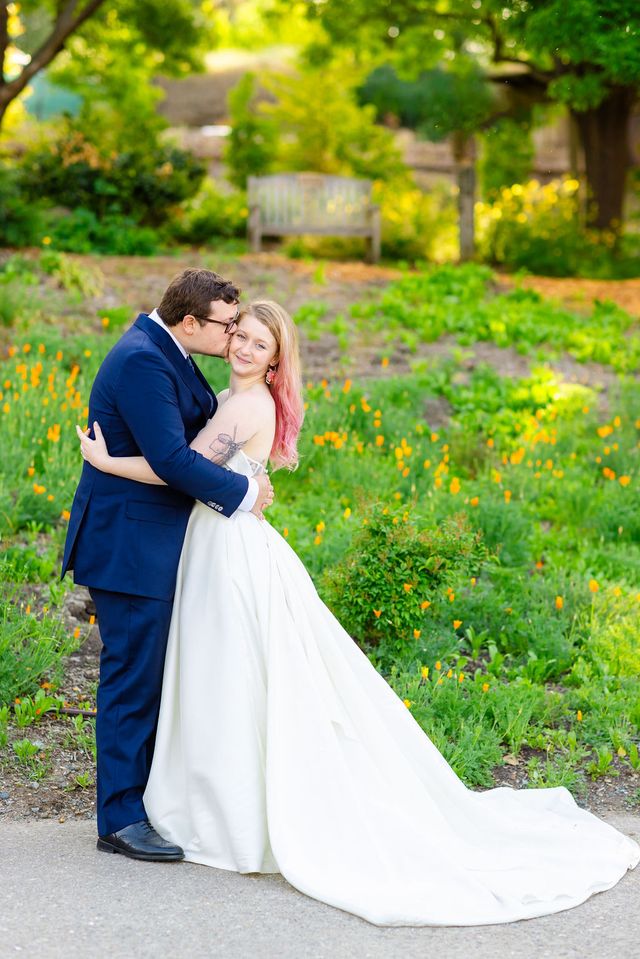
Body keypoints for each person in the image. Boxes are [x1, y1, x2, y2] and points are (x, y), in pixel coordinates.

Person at [77, 299, 639, 926]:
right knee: (227, 674)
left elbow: (178, 469)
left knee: (231, 674)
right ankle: (209, 801)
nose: (242, 347)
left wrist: (106, 462)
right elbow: (202, 467)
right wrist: (241, 486)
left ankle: (227, 810)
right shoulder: (225, 397)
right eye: (240, 335)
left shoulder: (243, 405)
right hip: (220, 543)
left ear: (274, 362)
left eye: (260, 345)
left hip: (226, 552)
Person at [62, 269, 274, 862]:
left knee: (154, 674)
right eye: (227, 324)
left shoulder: (170, 350)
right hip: (129, 545)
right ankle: (121, 819)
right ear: (190, 322)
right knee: (131, 678)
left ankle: (149, 800)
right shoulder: (143, 361)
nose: (234, 335)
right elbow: (174, 461)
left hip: (159, 540)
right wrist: (244, 495)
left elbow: (198, 446)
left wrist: (244, 474)